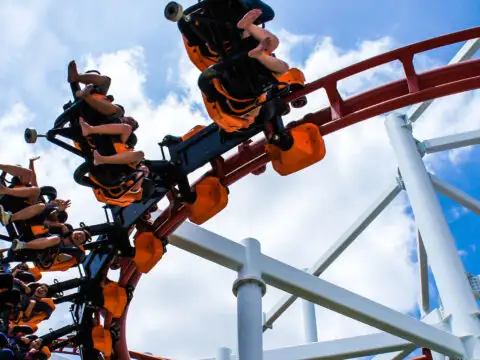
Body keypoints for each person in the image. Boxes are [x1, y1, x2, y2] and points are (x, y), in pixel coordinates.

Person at [237, 8, 289, 74]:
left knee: (285, 68)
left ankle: (259, 54)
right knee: (275, 42)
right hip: (253, 45)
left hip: (258, 62)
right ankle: (247, 25)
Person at [10, 227, 91, 253]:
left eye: (81, 238)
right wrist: (60, 224)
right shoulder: (64, 228)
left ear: (78, 244)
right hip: (39, 234)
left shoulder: (69, 250)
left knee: (57, 239)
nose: (79, 236)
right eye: (80, 233)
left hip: (49, 251)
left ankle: (22, 245)